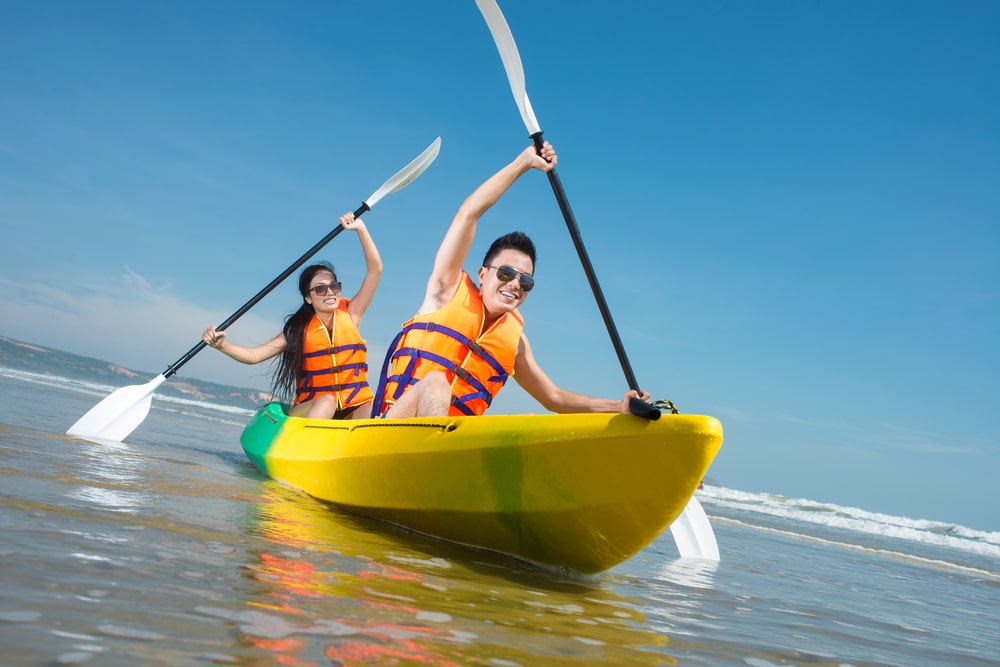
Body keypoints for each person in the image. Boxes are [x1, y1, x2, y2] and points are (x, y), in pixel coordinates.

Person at [373, 142, 649, 418]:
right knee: (435, 382)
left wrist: (618, 407)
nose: (515, 284)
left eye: (525, 281)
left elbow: (554, 398)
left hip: (456, 441)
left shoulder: (517, 344)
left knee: (527, 422)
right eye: (505, 274)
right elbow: (469, 212)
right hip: (393, 432)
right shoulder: (445, 290)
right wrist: (523, 163)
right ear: (483, 274)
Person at [203, 212, 381, 420]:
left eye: (334, 286)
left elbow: (375, 270)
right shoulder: (297, 329)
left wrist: (360, 229)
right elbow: (254, 356)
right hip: (312, 409)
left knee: (374, 408)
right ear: (308, 298)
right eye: (320, 289)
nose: (330, 292)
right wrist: (221, 345)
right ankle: (309, 448)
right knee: (327, 401)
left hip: (352, 406)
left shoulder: (352, 314)